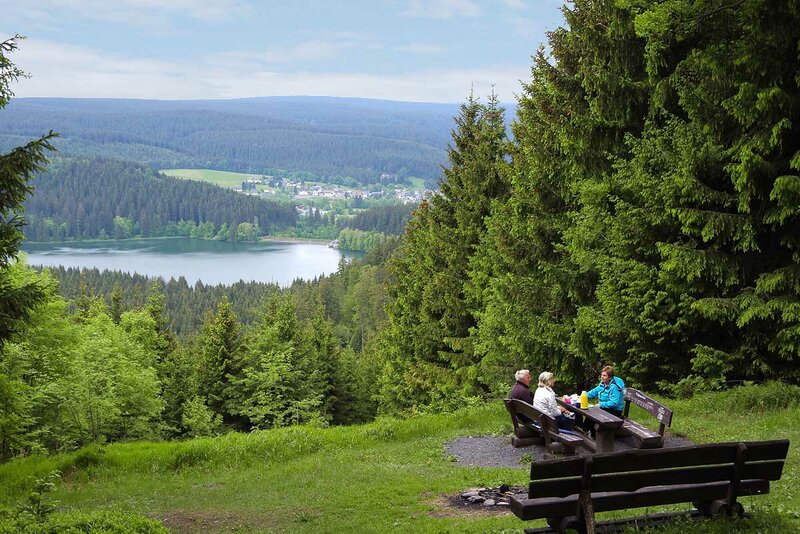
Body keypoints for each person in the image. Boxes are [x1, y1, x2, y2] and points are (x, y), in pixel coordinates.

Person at [580, 365, 625, 437]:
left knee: (594, 412)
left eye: (604, 375)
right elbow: (594, 392)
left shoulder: (614, 387)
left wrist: (601, 405)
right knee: (592, 411)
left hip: (615, 410)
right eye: (602, 375)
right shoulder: (602, 384)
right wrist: (583, 396)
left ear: (610, 377)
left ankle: (590, 434)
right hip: (605, 407)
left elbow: (614, 403)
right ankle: (586, 431)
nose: (602, 377)